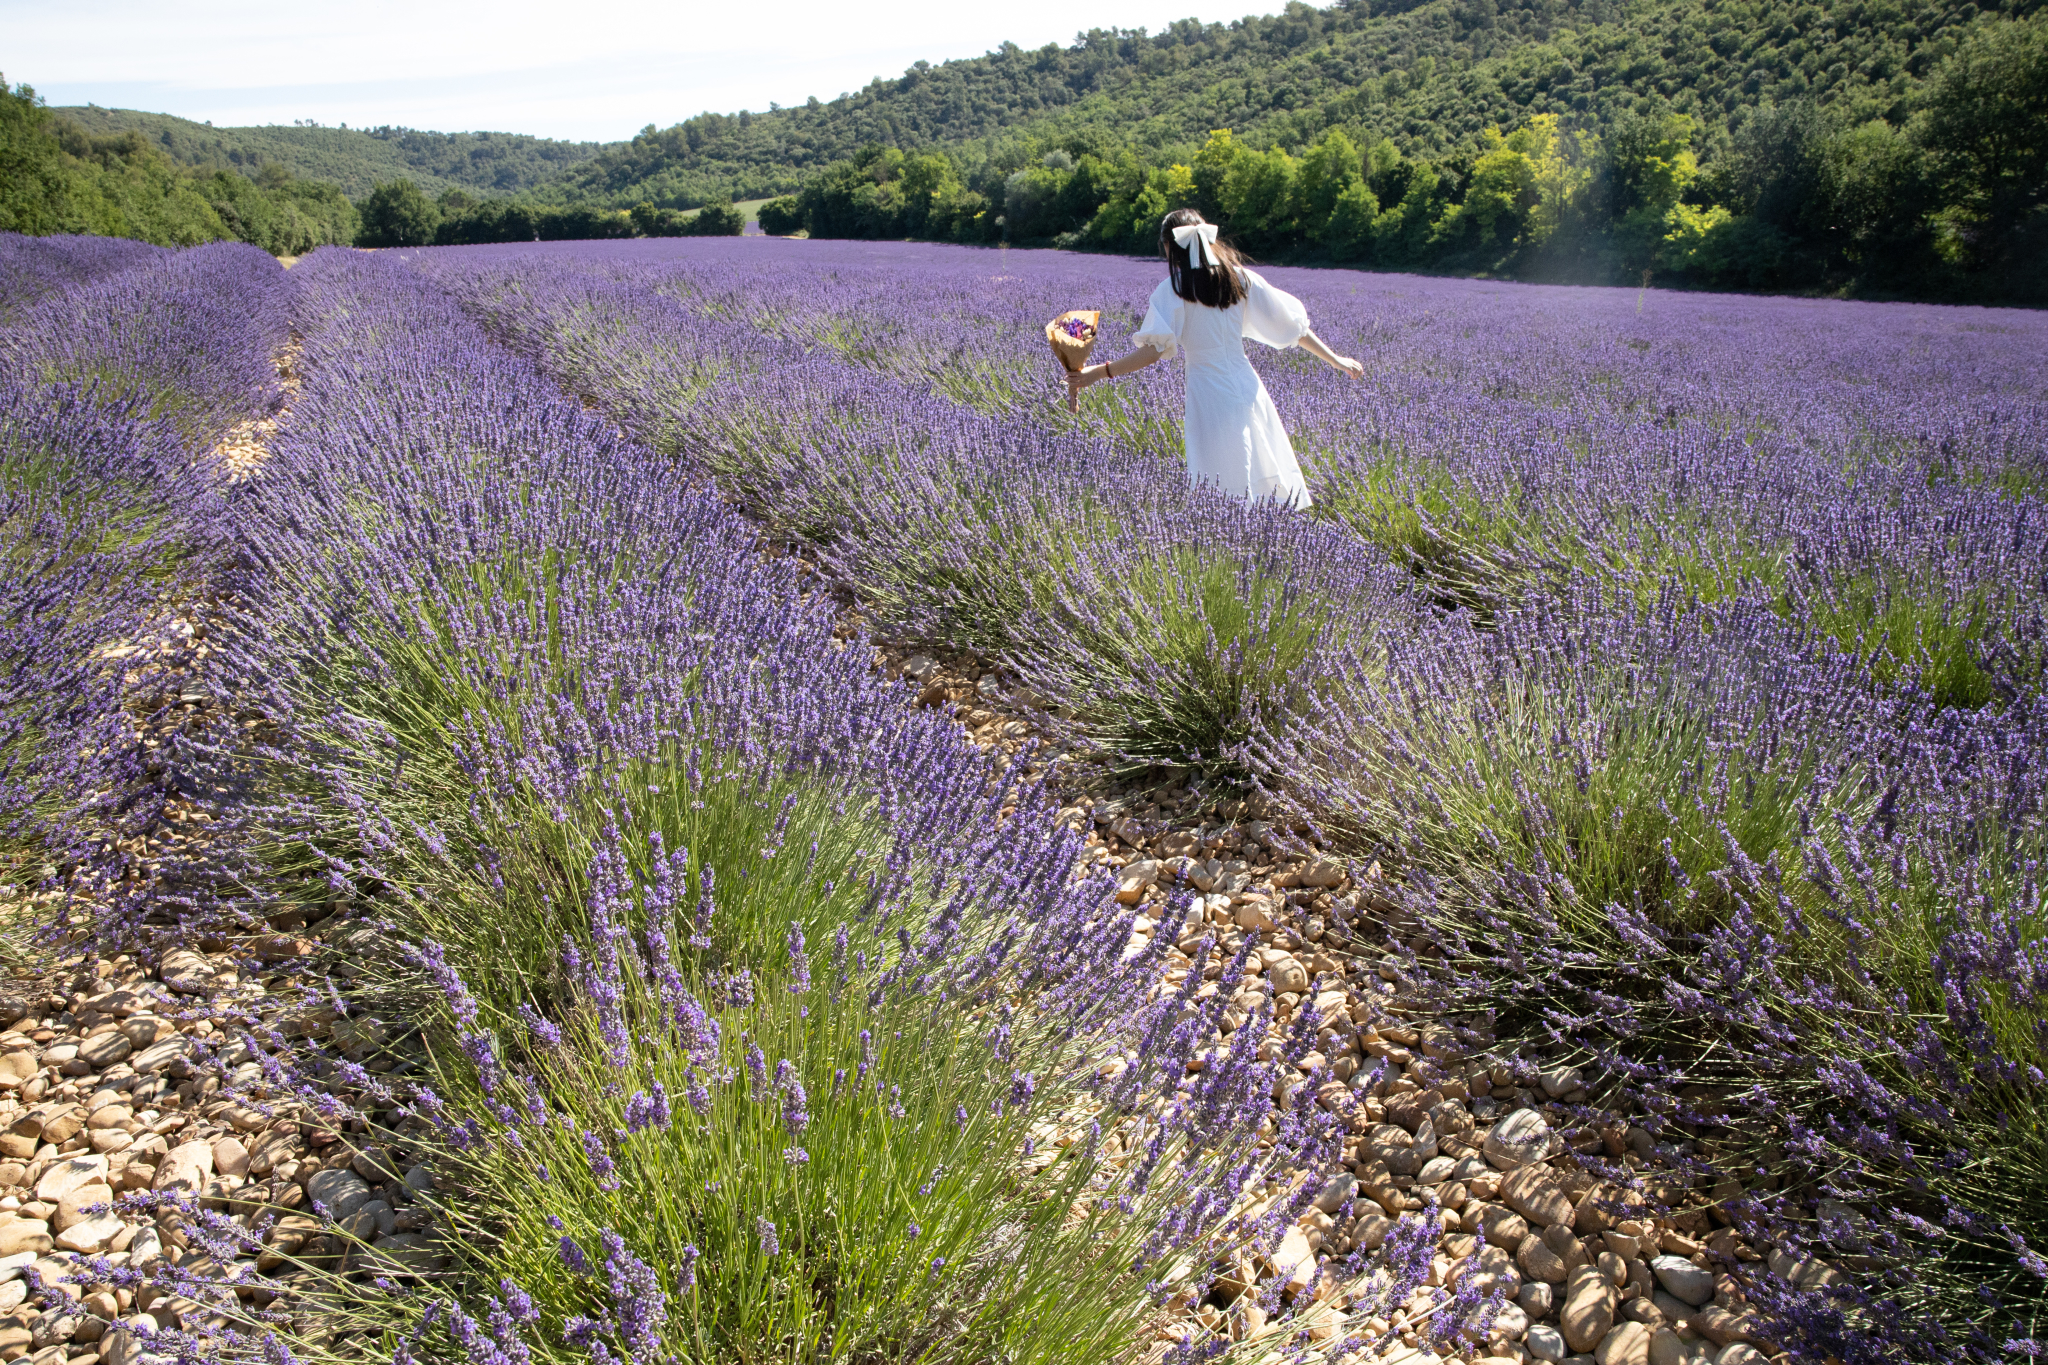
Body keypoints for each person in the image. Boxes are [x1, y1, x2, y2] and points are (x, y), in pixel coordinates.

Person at [1066, 208, 1363, 508]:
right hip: (1246, 387)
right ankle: (1265, 541)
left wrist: (1100, 372)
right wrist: (1336, 359)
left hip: (1208, 393)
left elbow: (1152, 352)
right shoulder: (1240, 279)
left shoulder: (1173, 289)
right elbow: (1293, 329)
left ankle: (1233, 543)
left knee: (1221, 479)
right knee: (1260, 468)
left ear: (1170, 247)